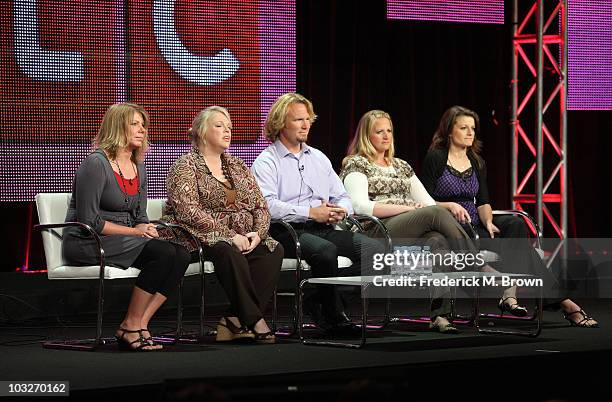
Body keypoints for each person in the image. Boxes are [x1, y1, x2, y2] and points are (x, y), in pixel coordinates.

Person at [421, 105, 598, 328]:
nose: (470, 133)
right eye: (463, 128)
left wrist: (488, 221)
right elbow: (423, 201)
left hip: (476, 224)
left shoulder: (475, 160)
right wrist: (449, 206)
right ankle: (563, 303)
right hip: (450, 226)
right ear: (449, 131)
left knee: (514, 224)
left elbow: (483, 201)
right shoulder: (435, 158)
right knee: (527, 253)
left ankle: (511, 291)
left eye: (473, 129)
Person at [339, 109, 504, 333]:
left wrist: (437, 207)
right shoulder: (357, 164)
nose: (386, 136)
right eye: (379, 132)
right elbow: (360, 207)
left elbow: (427, 202)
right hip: (374, 231)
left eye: (389, 131)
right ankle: (478, 264)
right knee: (435, 215)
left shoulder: (402, 166)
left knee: (437, 240)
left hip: (407, 228)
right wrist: (406, 208)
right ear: (367, 136)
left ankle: (440, 315)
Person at [251, 93, 385, 334]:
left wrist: (340, 211)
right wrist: (311, 213)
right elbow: (267, 206)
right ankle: (334, 317)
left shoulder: (318, 158)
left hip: (323, 228)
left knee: (377, 252)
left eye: (308, 119)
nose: (306, 125)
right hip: (285, 232)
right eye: (298, 120)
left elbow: (342, 196)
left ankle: (317, 295)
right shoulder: (267, 161)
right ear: (281, 123)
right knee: (325, 252)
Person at [63, 103, 191, 351]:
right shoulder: (96, 164)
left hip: (126, 239)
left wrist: (146, 227)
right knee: (162, 254)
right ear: (117, 127)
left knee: (180, 255)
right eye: (134, 124)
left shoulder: (138, 166)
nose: (142, 130)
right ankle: (132, 325)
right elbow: (90, 222)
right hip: (88, 241)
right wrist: (136, 231)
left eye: (143, 125)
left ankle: (138, 324)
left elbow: (140, 215)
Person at [161, 106, 283, 343]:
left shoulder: (237, 165)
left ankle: (233, 319)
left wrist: (257, 234)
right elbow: (188, 212)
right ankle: (256, 320)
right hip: (197, 235)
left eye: (229, 127)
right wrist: (228, 235)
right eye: (219, 126)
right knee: (228, 251)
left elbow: (260, 206)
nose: (227, 131)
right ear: (201, 132)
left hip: (242, 234)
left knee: (273, 249)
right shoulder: (185, 166)